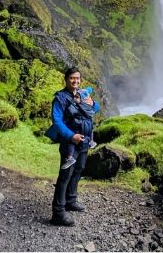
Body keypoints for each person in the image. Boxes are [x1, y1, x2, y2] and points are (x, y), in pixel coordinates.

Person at [49, 67, 99, 226]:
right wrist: (71, 136)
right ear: (66, 79)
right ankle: (58, 212)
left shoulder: (83, 94)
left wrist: (94, 103)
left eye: (77, 78)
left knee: (78, 170)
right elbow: (56, 121)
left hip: (84, 140)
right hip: (70, 142)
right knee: (65, 175)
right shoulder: (60, 98)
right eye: (72, 78)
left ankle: (71, 200)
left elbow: (93, 110)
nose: (75, 81)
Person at [60, 87, 97, 170]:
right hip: (86, 128)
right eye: (74, 96)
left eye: (77, 97)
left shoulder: (75, 107)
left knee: (70, 142)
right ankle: (91, 141)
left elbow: (69, 112)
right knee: (91, 129)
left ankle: (70, 157)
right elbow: (93, 111)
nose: (74, 98)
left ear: (82, 99)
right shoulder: (88, 106)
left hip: (77, 128)